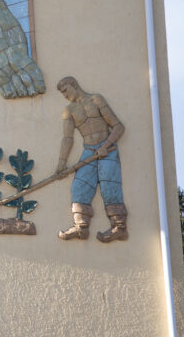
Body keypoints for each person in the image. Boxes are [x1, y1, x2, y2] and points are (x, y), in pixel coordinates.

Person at [54, 76, 128, 242]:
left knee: (109, 186)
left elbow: (118, 126)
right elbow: (68, 138)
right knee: (78, 187)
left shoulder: (96, 99)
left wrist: (106, 144)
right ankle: (81, 227)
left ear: (73, 85)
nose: (64, 95)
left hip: (107, 149)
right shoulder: (69, 110)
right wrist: (61, 164)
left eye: (65, 90)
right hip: (89, 151)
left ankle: (119, 227)